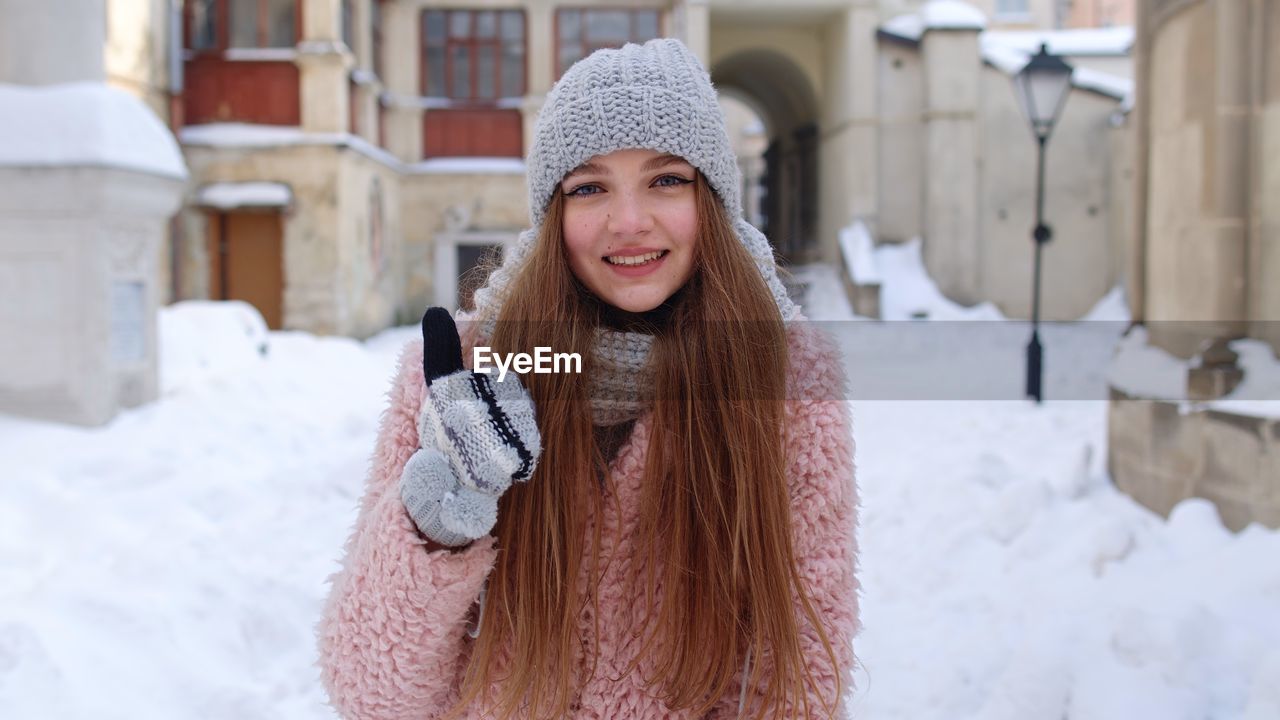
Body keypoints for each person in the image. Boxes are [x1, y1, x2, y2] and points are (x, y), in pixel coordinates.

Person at [317, 38, 859, 720]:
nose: (628, 223)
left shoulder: (784, 382)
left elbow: (797, 682)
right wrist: (437, 530)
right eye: (590, 187)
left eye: (666, 180)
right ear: (554, 214)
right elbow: (371, 692)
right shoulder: (467, 372)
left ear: (714, 200)